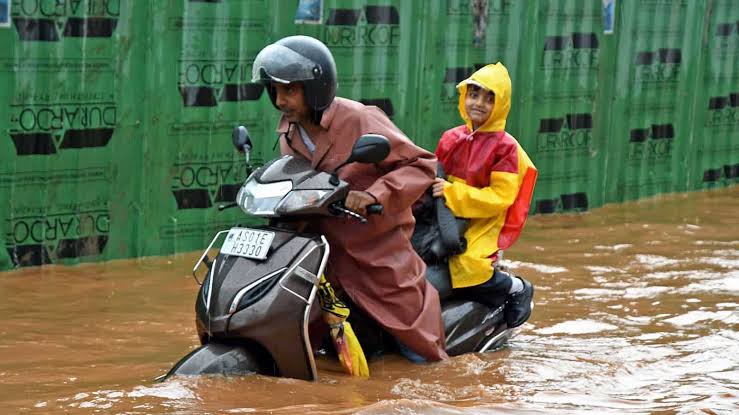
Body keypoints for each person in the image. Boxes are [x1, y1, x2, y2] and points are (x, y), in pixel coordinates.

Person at [251, 35, 448, 362]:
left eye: (290, 90)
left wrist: (374, 194)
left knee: (419, 355)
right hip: (323, 256)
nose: (281, 100)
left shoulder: (358, 118)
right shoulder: (288, 129)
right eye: (275, 91)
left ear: (315, 88)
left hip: (375, 251)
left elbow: (421, 164)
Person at [431, 62, 538, 328]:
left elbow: (499, 198)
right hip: (447, 215)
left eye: (490, 98)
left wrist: (452, 193)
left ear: (501, 105)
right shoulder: (450, 138)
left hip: (485, 220)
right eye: (474, 94)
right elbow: (434, 176)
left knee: (468, 267)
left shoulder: (505, 149)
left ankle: (517, 288)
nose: (479, 103)